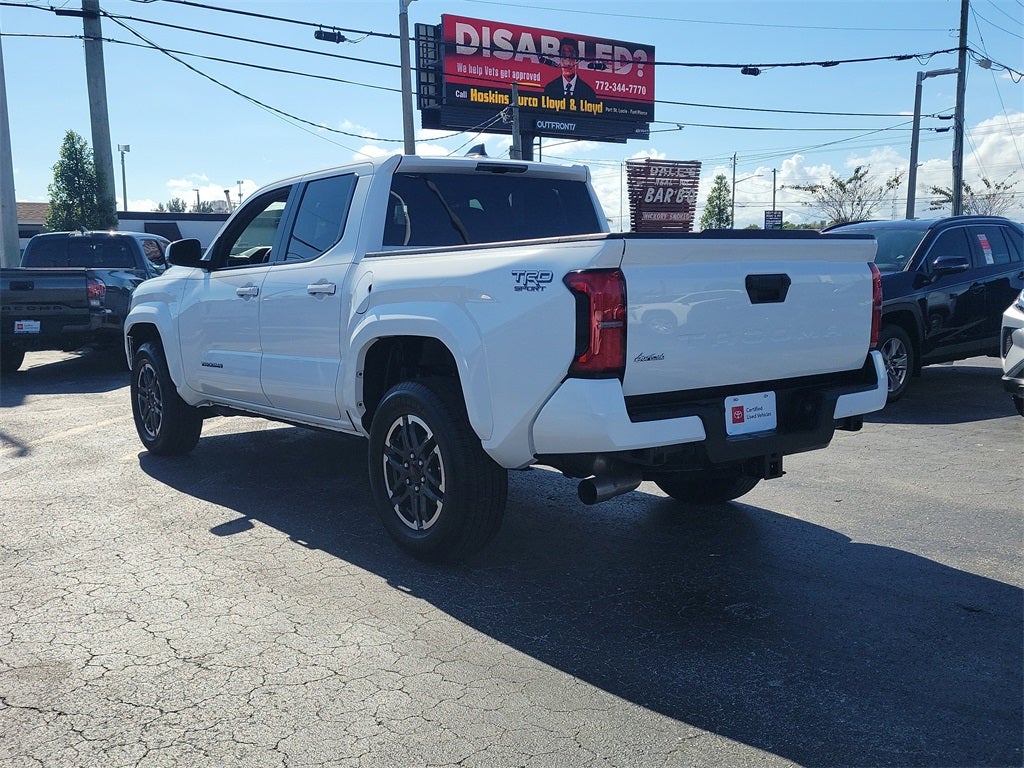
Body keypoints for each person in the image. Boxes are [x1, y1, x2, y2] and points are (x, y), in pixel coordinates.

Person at [543, 37, 597, 102]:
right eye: (564, 56)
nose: (568, 62)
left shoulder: (588, 92)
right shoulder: (550, 89)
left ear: (577, 59)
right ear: (559, 58)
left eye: (571, 57)